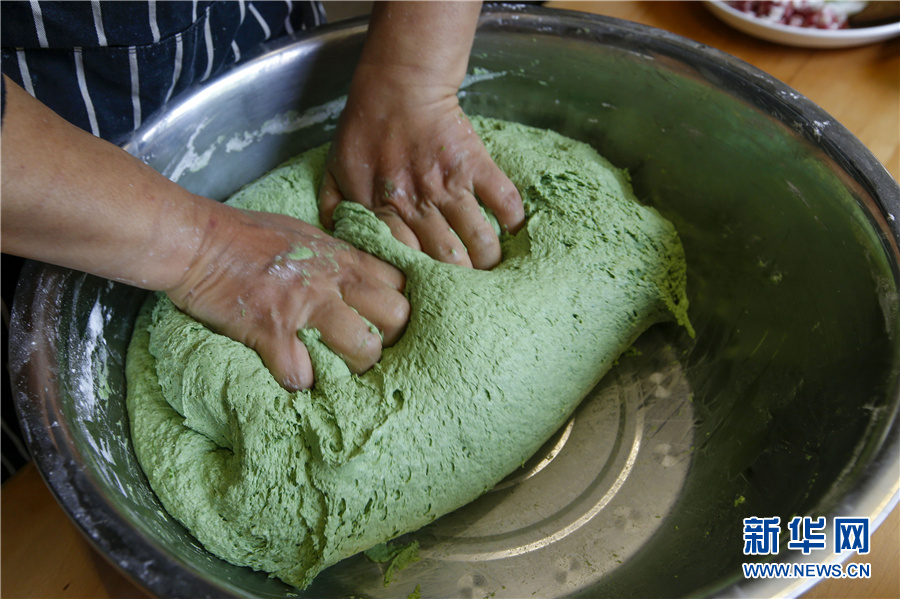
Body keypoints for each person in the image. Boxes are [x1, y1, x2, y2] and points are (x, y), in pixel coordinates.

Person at [0, 0, 524, 480]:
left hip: (255, 31)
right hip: (42, 192)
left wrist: (410, 76)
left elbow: (415, 68)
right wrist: (208, 252)